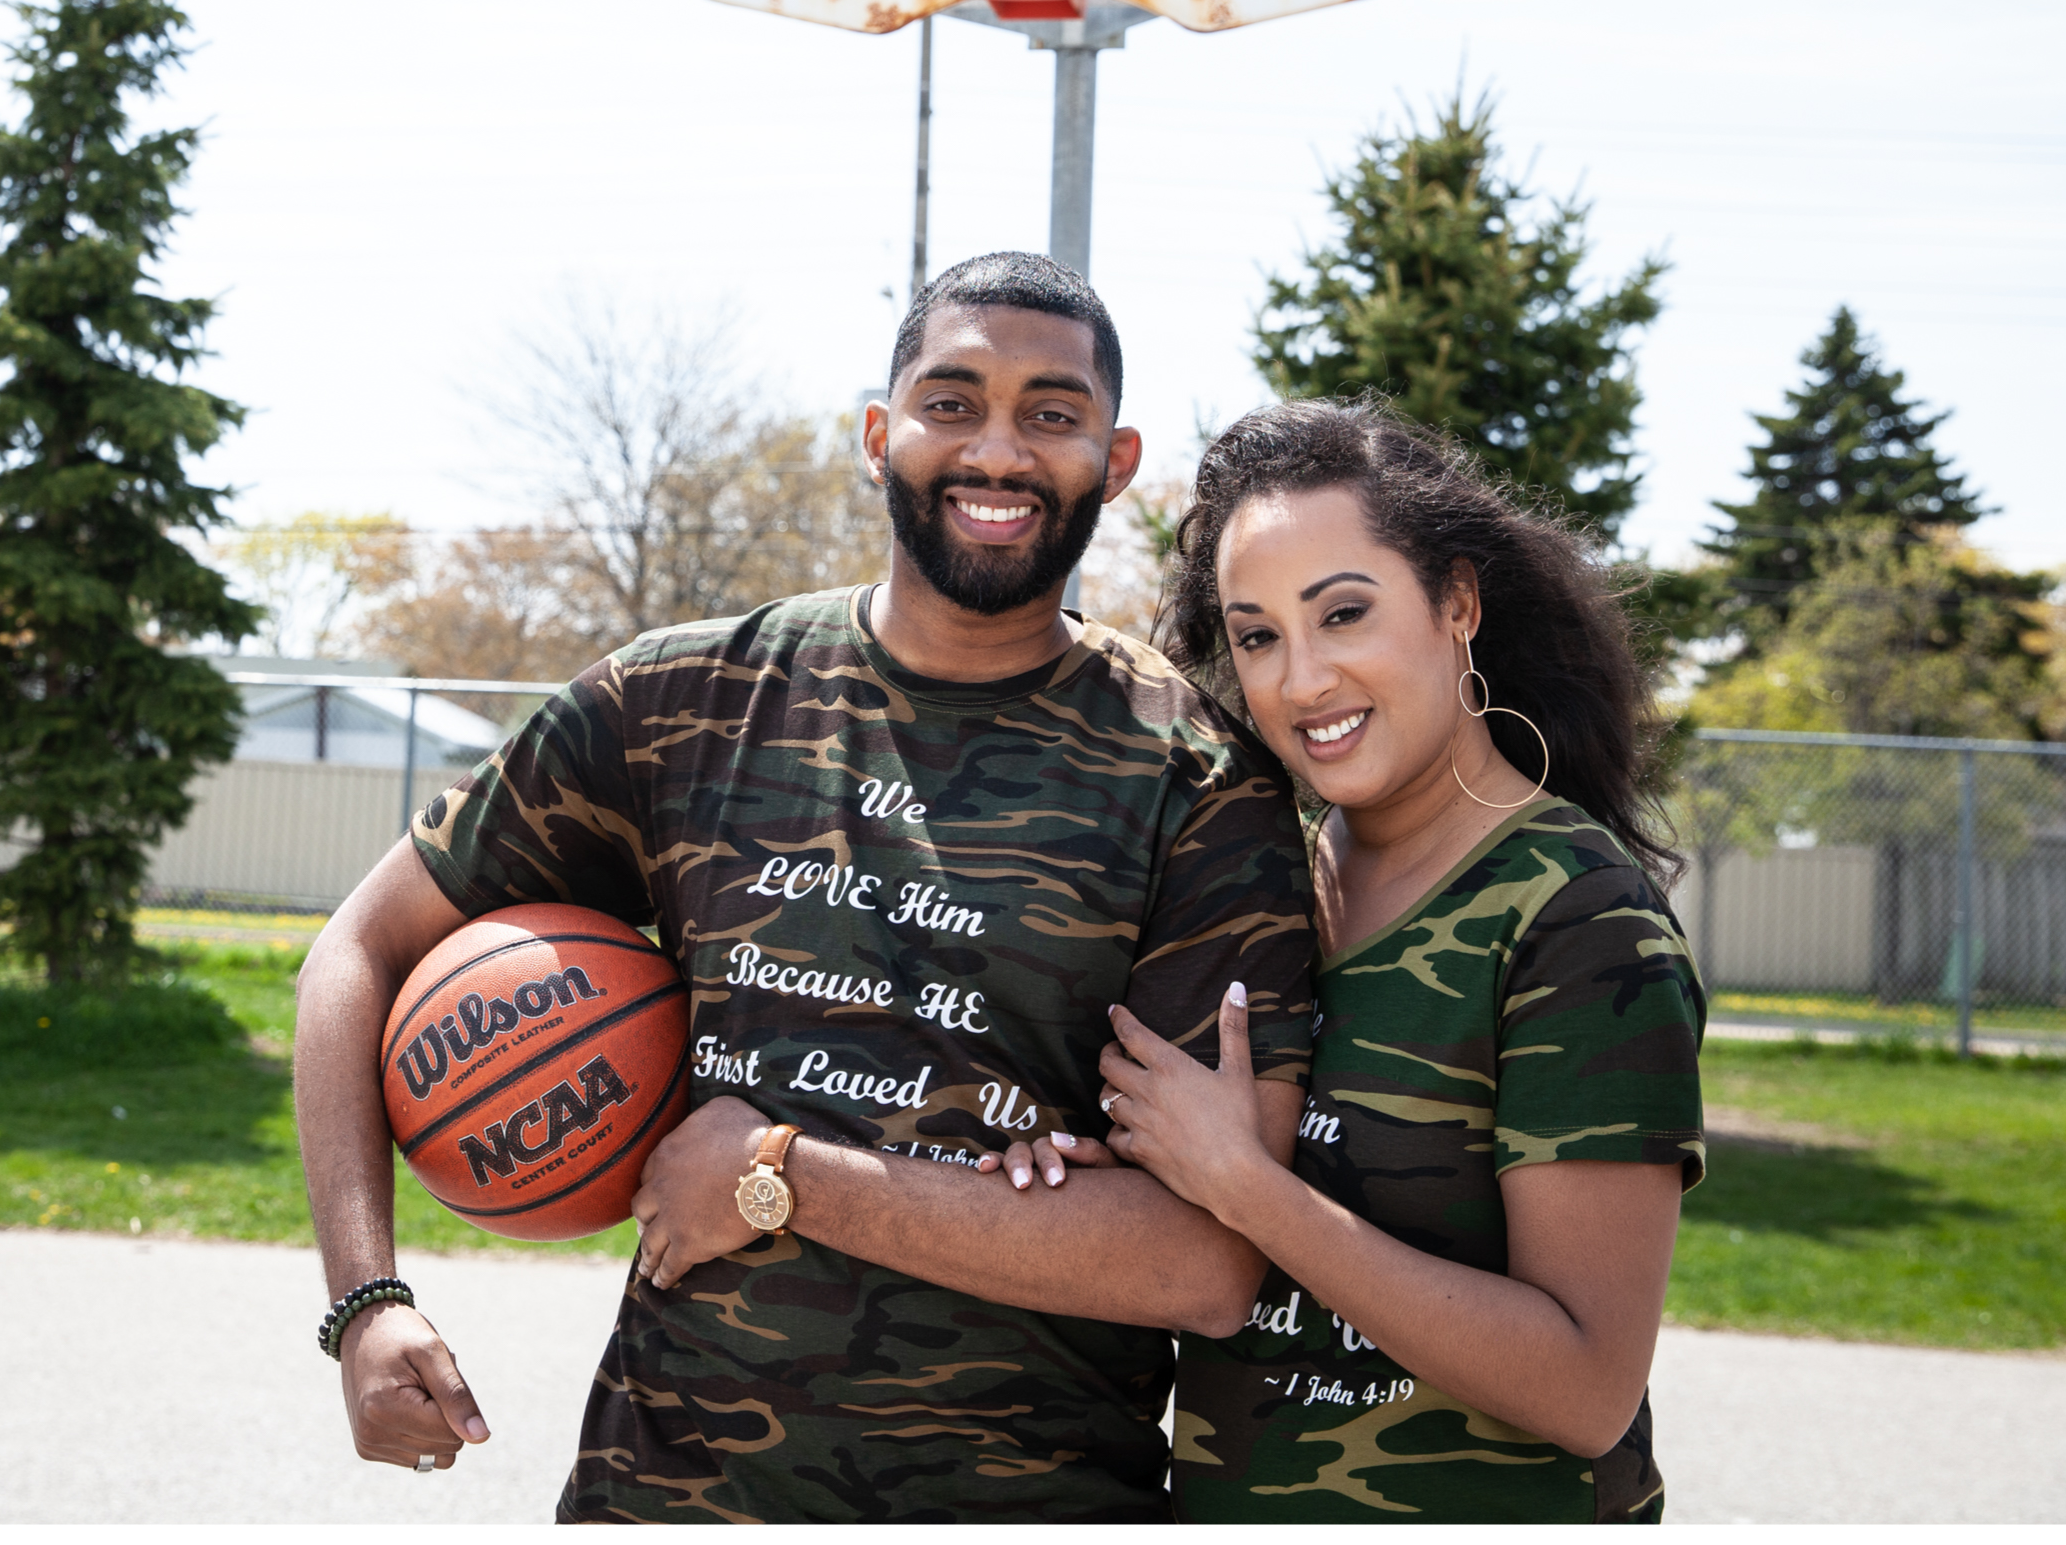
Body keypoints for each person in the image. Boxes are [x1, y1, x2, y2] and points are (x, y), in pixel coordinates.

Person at [288, 251, 1321, 1522]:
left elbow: (1204, 1260)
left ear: (1114, 461)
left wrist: (775, 1172)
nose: (996, 449)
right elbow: (359, 949)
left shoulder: (1196, 780)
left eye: (1051, 413)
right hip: (669, 1494)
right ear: (879, 433)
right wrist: (364, 1301)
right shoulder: (681, 704)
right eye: (952, 402)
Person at [985, 400, 1706, 1520]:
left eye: (1344, 614)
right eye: (1258, 635)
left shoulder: (1575, 919)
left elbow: (1585, 1386)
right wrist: (1113, 1159)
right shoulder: (1263, 889)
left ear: (1456, 604)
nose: (1302, 679)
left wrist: (1246, 1190)